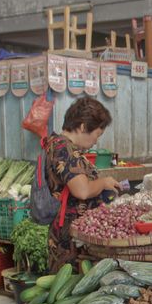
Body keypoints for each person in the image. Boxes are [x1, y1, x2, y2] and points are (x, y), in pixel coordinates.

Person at [43, 97, 121, 272]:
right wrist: (103, 183)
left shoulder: (58, 145)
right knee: (70, 287)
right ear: (83, 127)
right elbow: (82, 191)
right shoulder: (64, 148)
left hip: (70, 232)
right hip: (69, 239)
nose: (96, 141)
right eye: (97, 135)